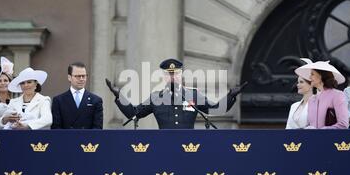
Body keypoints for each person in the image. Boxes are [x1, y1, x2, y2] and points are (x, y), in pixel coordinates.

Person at [106, 58, 246, 129]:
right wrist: (119, 96)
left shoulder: (193, 95)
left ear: (181, 75)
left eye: (176, 73)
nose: (173, 77)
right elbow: (133, 113)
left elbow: (215, 109)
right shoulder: (156, 97)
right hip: (163, 148)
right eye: (169, 74)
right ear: (164, 77)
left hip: (190, 150)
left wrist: (231, 95)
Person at [295, 60, 349, 129]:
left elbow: (343, 125)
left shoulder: (337, 95)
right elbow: (310, 124)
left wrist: (322, 130)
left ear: (321, 76)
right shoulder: (312, 99)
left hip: (331, 139)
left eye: (312, 74)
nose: (309, 77)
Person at [51, 62, 103, 129]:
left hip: (88, 139)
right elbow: (56, 128)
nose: (81, 79)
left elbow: (97, 128)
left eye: (84, 76)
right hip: (66, 138)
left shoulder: (96, 100)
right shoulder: (58, 100)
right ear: (69, 77)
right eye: (78, 76)